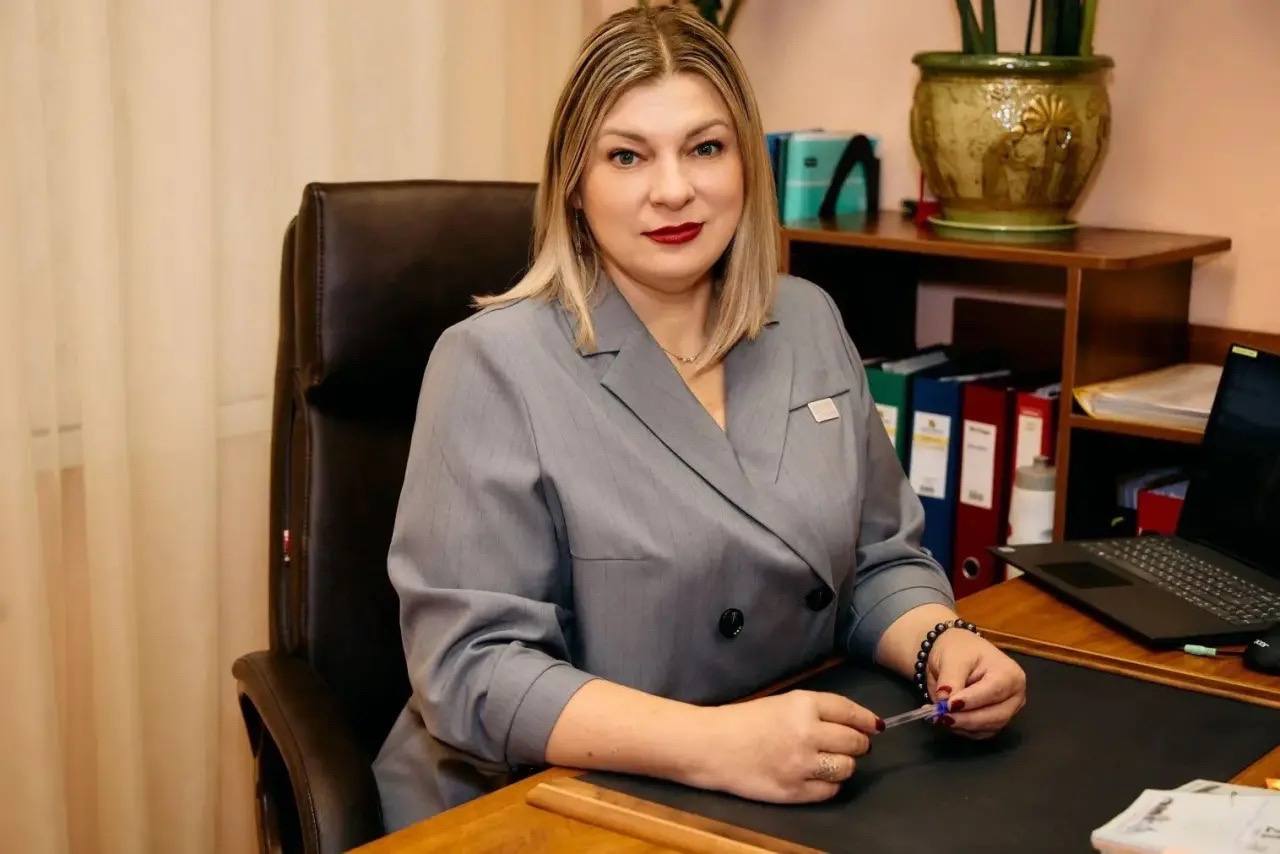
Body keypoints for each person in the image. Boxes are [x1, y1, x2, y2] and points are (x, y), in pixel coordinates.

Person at [373, 4, 1027, 831]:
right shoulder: (492, 363)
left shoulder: (807, 318)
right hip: (543, 797)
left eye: (705, 148)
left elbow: (874, 560)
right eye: (627, 155)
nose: (674, 189)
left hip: (788, 768)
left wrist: (942, 643)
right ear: (574, 182)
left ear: (746, 162)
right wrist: (715, 745)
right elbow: (472, 669)